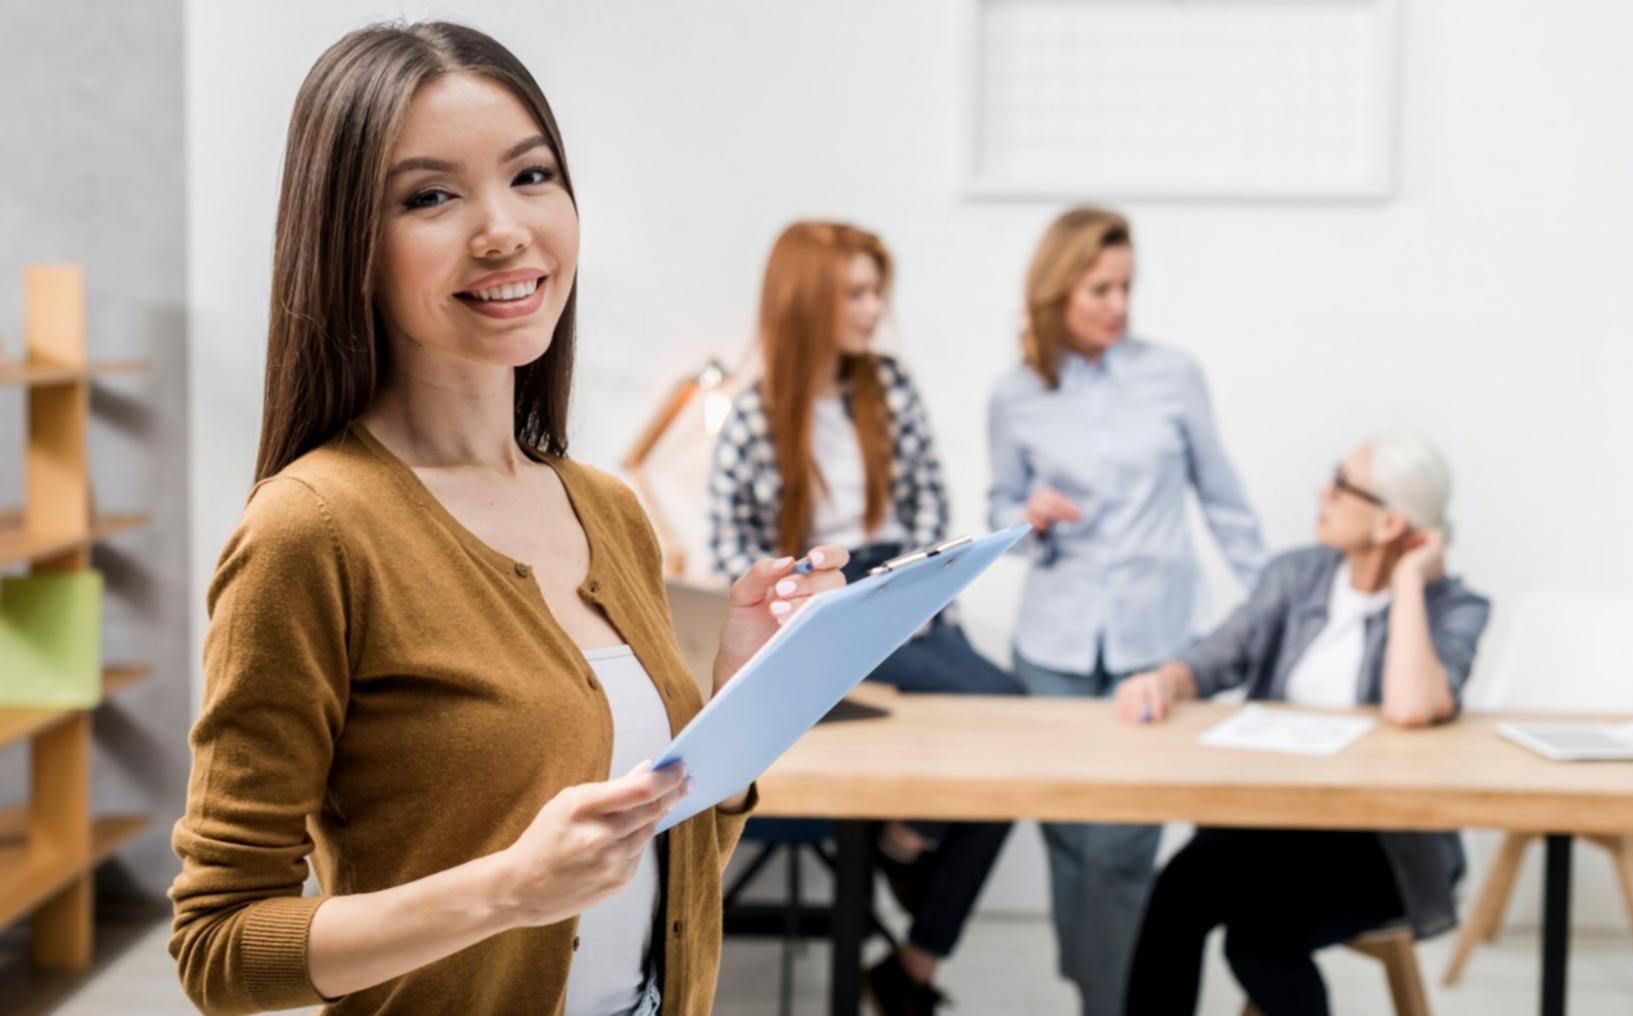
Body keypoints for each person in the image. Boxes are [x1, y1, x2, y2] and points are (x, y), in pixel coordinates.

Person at [168, 23, 848, 1016]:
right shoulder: (310, 529)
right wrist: (504, 889)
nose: (502, 229)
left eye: (530, 176)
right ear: (347, 238)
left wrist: (734, 709)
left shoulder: (606, 507)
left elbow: (648, 871)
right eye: (431, 195)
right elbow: (218, 947)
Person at [709, 221, 1022, 1015]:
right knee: (1004, 714)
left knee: (1015, 729)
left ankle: (908, 877)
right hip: (814, 605)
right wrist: (805, 594)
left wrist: (897, 588)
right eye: (855, 292)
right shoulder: (749, 419)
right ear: (806, 299)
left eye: (876, 290)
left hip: (895, 588)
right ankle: (909, 890)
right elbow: (728, 558)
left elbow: (929, 513)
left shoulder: (890, 389)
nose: (873, 309)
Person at [987, 205, 1268, 1016]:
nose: (1116, 303)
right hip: (1054, 643)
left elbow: (1224, 500)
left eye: (1125, 287)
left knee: (1121, 846)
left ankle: (1116, 1004)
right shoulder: (1015, 394)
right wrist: (1024, 515)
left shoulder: (1172, 374)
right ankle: (1099, 994)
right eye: (1099, 287)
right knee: (1070, 844)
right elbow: (1001, 507)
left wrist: (1272, 610)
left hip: (1154, 647)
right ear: (1056, 288)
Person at [1118, 433, 1492, 1016]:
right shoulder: (1296, 576)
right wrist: (1164, 681)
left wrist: (1411, 582)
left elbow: (1411, 706)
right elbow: (1215, 658)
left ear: (1392, 522)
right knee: (1175, 894)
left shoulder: (1456, 607)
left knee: (1260, 942)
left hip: (1382, 845)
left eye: (1342, 485)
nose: (1324, 492)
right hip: (1274, 819)